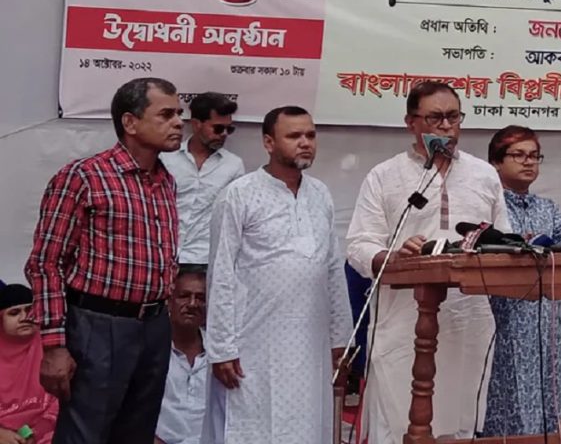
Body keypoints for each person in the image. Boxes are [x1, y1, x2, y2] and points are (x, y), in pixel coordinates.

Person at [347, 82, 510, 444]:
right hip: (404, 318)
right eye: (435, 118)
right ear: (411, 122)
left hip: (468, 319)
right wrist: (393, 257)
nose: (447, 126)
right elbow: (358, 245)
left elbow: (503, 239)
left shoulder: (484, 175)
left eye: (453, 116)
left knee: (459, 422)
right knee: (399, 422)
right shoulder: (385, 176)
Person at [24, 77, 183, 443]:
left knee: (137, 433)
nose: (179, 122)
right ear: (130, 122)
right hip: (98, 326)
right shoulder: (84, 177)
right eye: (166, 114)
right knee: (86, 434)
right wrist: (54, 345)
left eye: (179, 113)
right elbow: (45, 263)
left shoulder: (166, 181)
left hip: (155, 326)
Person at [202, 106, 350, 444]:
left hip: (311, 343)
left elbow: (332, 268)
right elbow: (221, 274)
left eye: (310, 135)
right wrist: (221, 348)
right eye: (294, 136)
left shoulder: (320, 194)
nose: (305, 143)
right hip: (254, 344)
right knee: (254, 427)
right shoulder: (238, 195)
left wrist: (341, 337)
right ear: (268, 142)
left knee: (308, 425)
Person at [481, 125, 561, 436]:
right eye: (519, 155)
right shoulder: (488, 205)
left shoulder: (548, 208)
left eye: (535, 156)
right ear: (496, 162)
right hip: (503, 316)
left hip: (545, 319)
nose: (529, 162)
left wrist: (546, 245)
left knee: (548, 389)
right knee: (506, 388)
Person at [160, 92, 245, 266]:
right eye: (218, 128)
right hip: (163, 253)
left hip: (205, 258)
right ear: (196, 124)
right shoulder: (165, 158)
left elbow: (234, 216)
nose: (224, 134)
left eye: (229, 129)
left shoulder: (234, 165)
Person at [155, 266, 213, 444]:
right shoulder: (150, 351)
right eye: (184, 296)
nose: (193, 304)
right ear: (170, 301)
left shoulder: (219, 355)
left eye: (201, 298)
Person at [0, 284, 58, 444]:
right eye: (14, 313)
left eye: (30, 310)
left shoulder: (53, 349)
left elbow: (61, 401)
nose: (24, 317)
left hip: (48, 432)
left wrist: (37, 431)